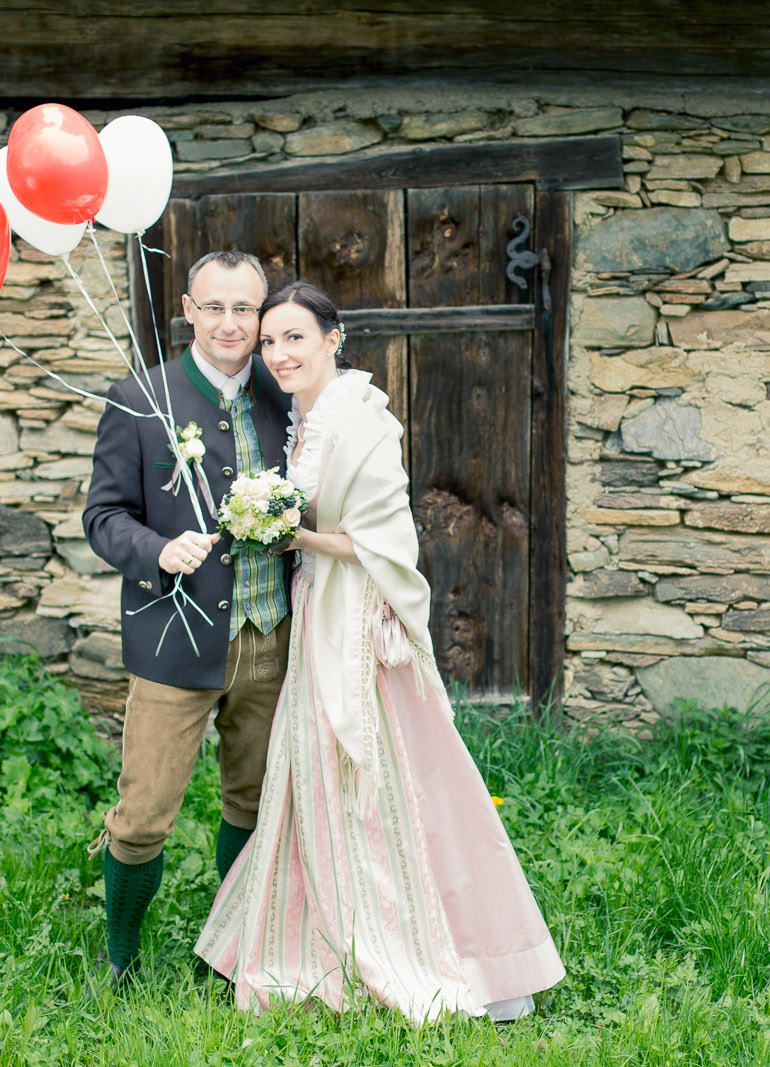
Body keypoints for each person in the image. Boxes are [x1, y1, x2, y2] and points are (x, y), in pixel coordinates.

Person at [192, 281, 564, 1022]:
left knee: (369, 767)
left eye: (294, 336)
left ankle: (406, 934)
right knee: (308, 766)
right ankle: (310, 926)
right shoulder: (301, 419)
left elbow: (388, 542)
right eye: (270, 341)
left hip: (354, 615)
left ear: (335, 338)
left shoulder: (361, 420)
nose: (278, 353)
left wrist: (288, 533)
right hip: (315, 606)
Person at [83, 250, 293, 984]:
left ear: (262, 315)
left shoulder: (286, 392)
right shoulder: (141, 397)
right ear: (187, 308)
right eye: (215, 306)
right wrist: (156, 546)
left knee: (255, 800)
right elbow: (102, 516)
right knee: (143, 814)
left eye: (245, 308)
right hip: (174, 637)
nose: (230, 322)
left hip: (271, 637)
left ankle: (230, 950)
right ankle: (121, 956)